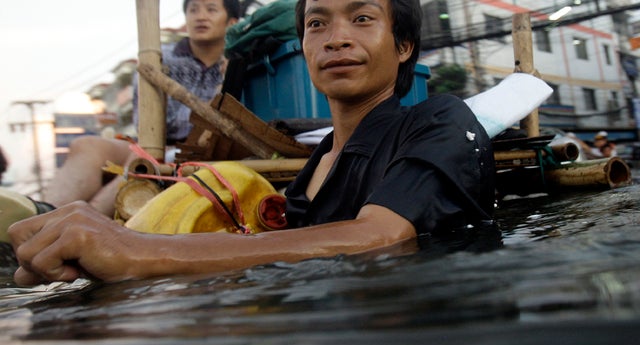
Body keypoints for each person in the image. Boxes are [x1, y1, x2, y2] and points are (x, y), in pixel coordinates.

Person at [8, 0, 495, 286]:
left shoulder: (441, 121)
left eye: (363, 18)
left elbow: (379, 237)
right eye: (317, 23)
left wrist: (134, 249)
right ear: (303, 46)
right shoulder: (314, 169)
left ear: (404, 45)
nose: (335, 39)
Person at [0, 0, 240, 234]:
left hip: (208, 152)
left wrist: (226, 79)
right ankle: (41, 216)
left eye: (211, 9)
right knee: (88, 145)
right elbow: (145, 122)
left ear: (231, 22)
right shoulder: (159, 59)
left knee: (141, 161)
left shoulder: (240, 61)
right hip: (158, 142)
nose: (200, 16)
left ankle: (74, 226)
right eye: (193, 9)